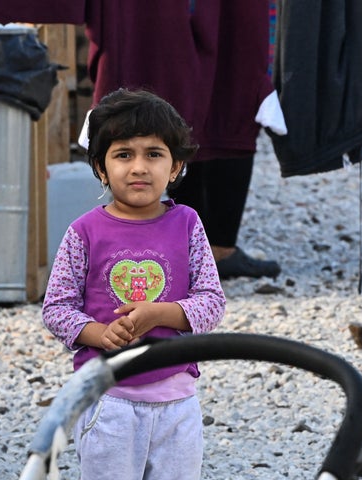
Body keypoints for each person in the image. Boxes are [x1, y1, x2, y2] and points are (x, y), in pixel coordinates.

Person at [42, 88, 226, 480]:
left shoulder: (188, 224)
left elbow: (212, 302)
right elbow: (56, 307)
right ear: (100, 167)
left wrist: (160, 313)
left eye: (153, 154)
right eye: (123, 154)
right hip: (108, 399)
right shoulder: (84, 232)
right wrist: (98, 333)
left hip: (177, 399)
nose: (139, 167)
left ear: (175, 167)